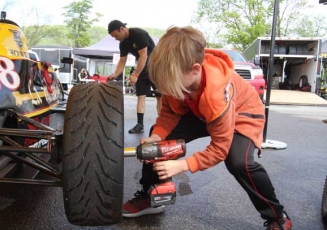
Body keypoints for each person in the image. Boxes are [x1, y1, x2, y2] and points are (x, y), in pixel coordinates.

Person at [122, 26, 292, 230]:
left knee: (238, 162)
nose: (166, 88)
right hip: (201, 111)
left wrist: (182, 165)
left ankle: (277, 216)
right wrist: (157, 136)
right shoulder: (176, 74)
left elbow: (220, 148)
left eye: (170, 83)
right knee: (156, 142)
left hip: (241, 113)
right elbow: (170, 113)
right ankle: (153, 194)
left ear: (195, 69)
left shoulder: (216, 94)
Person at [107, 20, 161, 133]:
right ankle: (140, 124)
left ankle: (162, 124)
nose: (115, 38)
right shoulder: (123, 43)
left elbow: (144, 56)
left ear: (122, 29)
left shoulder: (138, 34)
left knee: (159, 96)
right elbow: (122, 61)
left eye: (116, 35)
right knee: (141, 96)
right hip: (142, 68)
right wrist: (115, 74)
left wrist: (135, 74)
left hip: (155, 66)